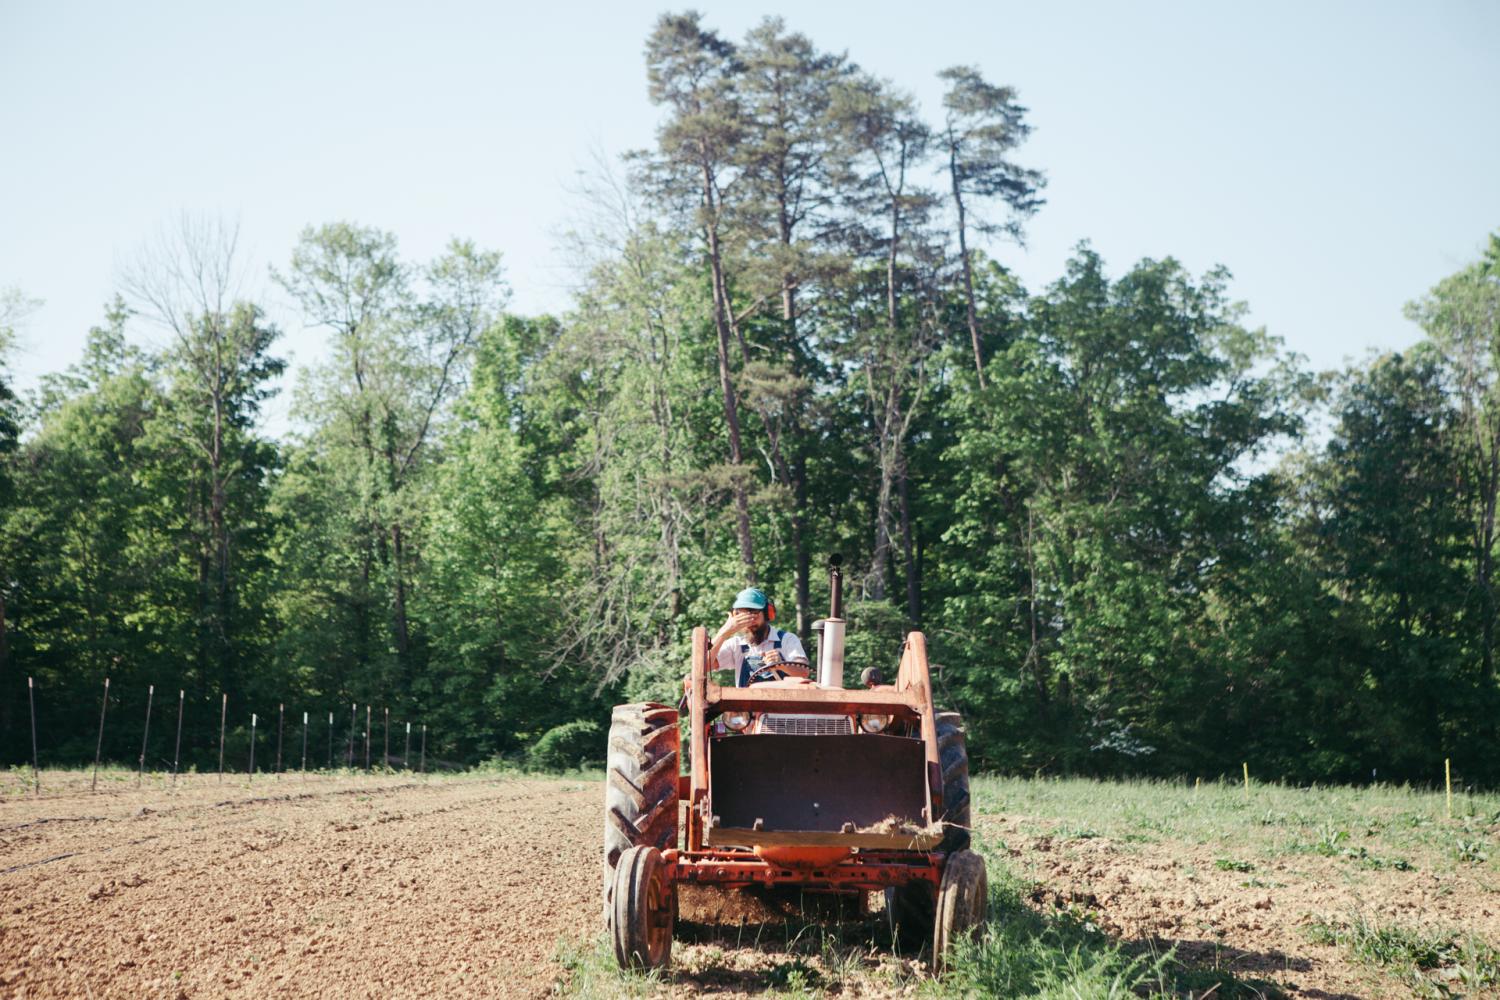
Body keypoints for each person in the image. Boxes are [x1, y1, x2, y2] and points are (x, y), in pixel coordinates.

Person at [707, 588, 812, 687]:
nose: (750, 621)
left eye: (754, 613)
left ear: (767, 614)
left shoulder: (787, 640)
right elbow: (705, 666)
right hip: (746, 705)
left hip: (781, 705)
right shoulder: (736, 645)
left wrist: (782, 664)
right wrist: (723, 633)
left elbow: (803, 672)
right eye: (744, 616)